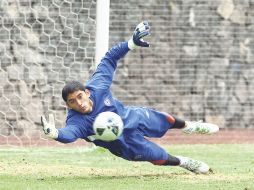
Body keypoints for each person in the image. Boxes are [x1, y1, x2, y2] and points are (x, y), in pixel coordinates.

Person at [41, 21, 219, 174]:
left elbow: (109, 58)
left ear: (87, 92)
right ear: (68, 106)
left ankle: (191, 126)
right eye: (72, 102)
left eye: (80, 96)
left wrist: (131, 43)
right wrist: (56, 134)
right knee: (158, 158)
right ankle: (185, 162)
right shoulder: (77, 121)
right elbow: (69, 134)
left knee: (167, 119)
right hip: (125, 144)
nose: (79, 103)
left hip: (132, 117)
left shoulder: (98, 86)